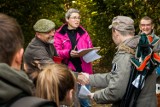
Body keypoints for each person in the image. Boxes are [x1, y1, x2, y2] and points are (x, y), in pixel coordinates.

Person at [78, 16, 160, 107]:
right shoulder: (143, 47)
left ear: (116, 32)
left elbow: (116, 92)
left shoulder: (125, 54)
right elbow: (118, 77)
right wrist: (90, 78)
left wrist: (95, 96)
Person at [0, 13, 57, 107]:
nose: (52, 34)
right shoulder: (36, 49)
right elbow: (54, 70)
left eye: (53, 30)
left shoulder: (49, 43)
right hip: (36, 89)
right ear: (38, 35)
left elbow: (56, 59)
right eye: (48, 32)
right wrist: (79, 76)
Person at [54, 8, 93, 107]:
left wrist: (90, 52)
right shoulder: (59, 34)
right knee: (71, 102)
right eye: (74, 18)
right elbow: (56, 52)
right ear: (67, 19)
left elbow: (90, 47)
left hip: (84, 70)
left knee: (86, 101)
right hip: (69, 72)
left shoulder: (84, 33)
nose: (77, 20)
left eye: (79, 18)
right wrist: (68, 53)